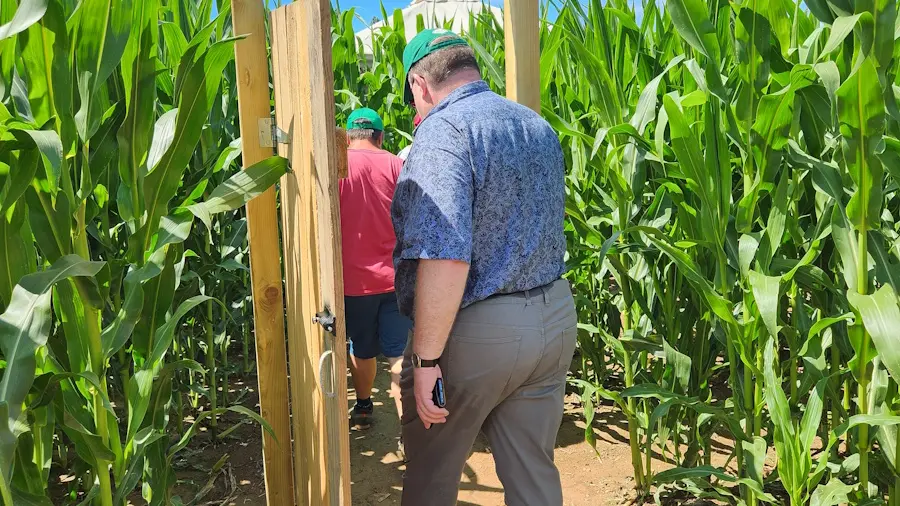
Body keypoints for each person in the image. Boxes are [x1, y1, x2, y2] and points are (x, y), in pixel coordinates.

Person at [391, 29, 576, 506]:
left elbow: (445, 252)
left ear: (420, 84)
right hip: (553, 318)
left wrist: (427, 360)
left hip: (478, 333)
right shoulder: (536, 125)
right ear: (470, 67)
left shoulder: (444, 131)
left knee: (432, 474)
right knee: (534, 473)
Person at [339, 107, 411, 434]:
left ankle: (364, 406)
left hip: (354, 283)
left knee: (362, 348)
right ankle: (409, 430)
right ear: (380, 136)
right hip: (395, 279)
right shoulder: (397, 164)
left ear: (349, 136)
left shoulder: (336, 167)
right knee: (398, 354)